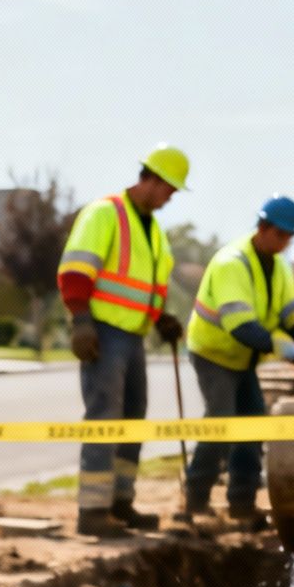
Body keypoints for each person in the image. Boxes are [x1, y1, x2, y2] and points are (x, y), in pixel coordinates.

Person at [56, 144, 189, 538]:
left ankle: (120, 502)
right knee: (104, 418)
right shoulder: (106, 213)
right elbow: (76, 270)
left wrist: (161, 317)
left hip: (133, 336)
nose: (171, 197)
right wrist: (81, 320)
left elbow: (149, 286)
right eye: (171, 189)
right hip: (104, 332)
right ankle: (93, 510)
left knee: (132, 419)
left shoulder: (154, 232)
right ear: (153, 179)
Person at [179, 194, 294, 530]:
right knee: (222, 422)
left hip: (242, 359)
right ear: (264, 228)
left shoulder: (278, 267)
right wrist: (289, 352)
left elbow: (289, 314)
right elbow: (241, 327)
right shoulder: (232, 263)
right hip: (213, 352)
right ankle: (194, 500)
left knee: (254, 423)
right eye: (282, 235)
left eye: (289, 237)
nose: (286, 242)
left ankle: (241, 504)